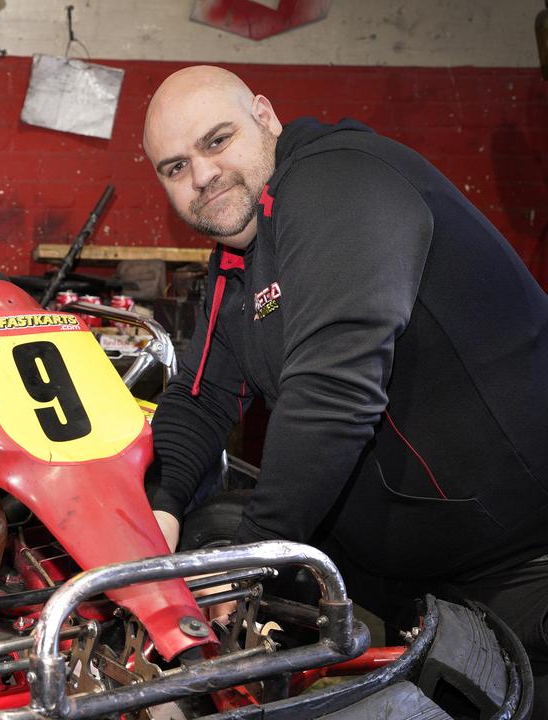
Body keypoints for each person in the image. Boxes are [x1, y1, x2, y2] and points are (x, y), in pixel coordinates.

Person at [141, 65, 548, 713]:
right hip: (414, 584)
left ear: (267, 118)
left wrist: (252, 555)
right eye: (173, 167)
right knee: (205, 528)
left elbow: (334, 389)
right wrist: (153, 515)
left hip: (520, 575)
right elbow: (200, 397)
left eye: (216, 141)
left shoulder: (339, 179)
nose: (201, 176)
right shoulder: (239, 260)